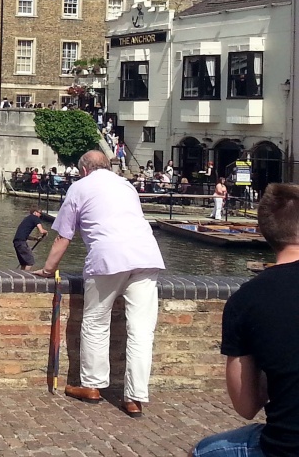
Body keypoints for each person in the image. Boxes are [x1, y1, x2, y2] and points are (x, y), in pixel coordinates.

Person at [32, 150, 165, 418]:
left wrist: (48, 269)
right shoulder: (126, 186)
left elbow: (63, 236)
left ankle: (92, 386)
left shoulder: (80, 187)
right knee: (141, 331)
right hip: (147, 255)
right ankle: (134, 398)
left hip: (108, 257)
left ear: (83, 170)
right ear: (107, 165)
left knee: (95, 321)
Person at [191, 183, 299, 457]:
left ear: (265, 232)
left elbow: (246, 405)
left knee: (203, 452)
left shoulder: (245, 301)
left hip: (286, 447)